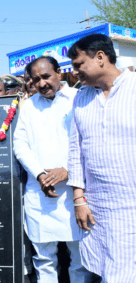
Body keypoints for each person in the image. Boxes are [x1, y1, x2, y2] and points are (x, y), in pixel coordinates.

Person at [14, 56, 92, 283]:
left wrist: (69, 170)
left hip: (74, 193)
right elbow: (20, 145)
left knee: (80, 260)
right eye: (35, 79)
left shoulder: (79, 98)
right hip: (39, 193)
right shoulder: (27, 107)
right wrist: (40, 174)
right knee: (44, 260)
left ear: (59, 73)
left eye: (46, 76)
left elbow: (91, 141)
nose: (41, 83)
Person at [67, 33, 136, 282]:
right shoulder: (81, 98)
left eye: (78, 65)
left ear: (100, 57)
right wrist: (79, 200)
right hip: (99, 208)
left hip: (131, 203)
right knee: (109, 271)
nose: (74, 72)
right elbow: (76, 151)